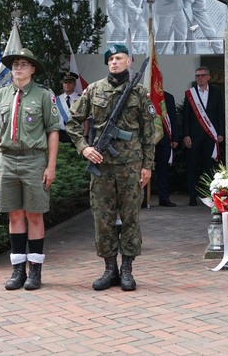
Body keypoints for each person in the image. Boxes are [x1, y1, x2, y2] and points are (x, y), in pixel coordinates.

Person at [67, 44, 155, 291]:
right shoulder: (94, 90)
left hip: (130, 166)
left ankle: (127, 270)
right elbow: (73, 123)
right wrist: (84, 148)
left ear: (128, 61)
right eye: (110, 59)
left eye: (119, 58)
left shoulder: (139, 92)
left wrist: (147, 166)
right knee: (102, 219)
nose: (114, 62)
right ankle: (109, 269)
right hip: (102, 165)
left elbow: (149, 132)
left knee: (130, 218)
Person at [0, 48, 59, 291]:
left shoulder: (43, 95)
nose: (17, 68)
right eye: (14, 64)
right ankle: (17, 269)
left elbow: (53, 131)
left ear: (32, 69)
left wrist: (50, 166)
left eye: (23, 64)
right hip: (7, 160)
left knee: (34, 214)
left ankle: (35, 271)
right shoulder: (0, 96)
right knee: (15, 214)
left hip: (34, 161)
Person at [182, 66, 224, 206]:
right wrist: (186, 134)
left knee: (210, 166)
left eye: (202, 75)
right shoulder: (190, 94)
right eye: (197, 76)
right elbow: (185, 116)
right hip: (193, 137)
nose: (199, 78)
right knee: (192, 166)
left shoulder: (217, 93)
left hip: (211, 136)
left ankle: (209, 195)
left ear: (208, 77)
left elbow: (220, 114)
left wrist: (220, 133)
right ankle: (192, 197)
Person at [151, 91, 178, 207]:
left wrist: (175, 138)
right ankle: (143, 200)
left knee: (163, 171)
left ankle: (164, 198)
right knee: (145, 170)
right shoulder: (145, 94)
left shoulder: (168, 97)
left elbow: (173, 118)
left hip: (164, 140)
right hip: (148, 141)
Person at [56, 71, 81, 144]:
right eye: (65, 82)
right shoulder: (56, 100)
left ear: (75, 84)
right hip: (61, 134)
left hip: (76, 133)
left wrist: (85, 135)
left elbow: (86, 120)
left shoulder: (80, 99)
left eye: (69, 83)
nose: (67, 85)